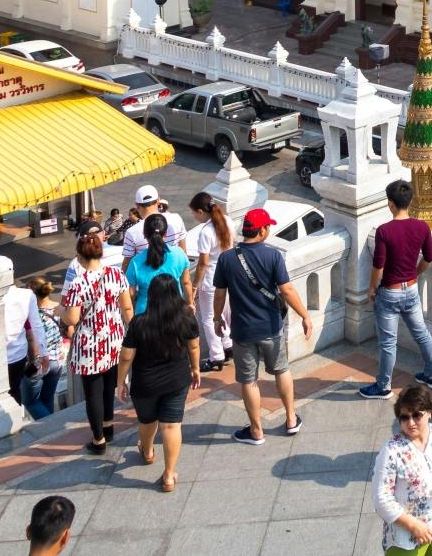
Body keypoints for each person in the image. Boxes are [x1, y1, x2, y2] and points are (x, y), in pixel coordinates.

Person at [213, 206, 315, 444]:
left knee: (249, 380)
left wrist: (217, 318)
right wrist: (304, 316)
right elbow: (287, 290)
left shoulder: (227, 258)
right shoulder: (273, 256)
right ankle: (291, 419)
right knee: (282, 370)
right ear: (262, 230)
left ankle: (256, 431)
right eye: (268, 226)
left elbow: (219, 294)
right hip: (271, 327)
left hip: (242, 330)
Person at [361, 179, 432, 401]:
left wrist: (371, 288)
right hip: (411, 290)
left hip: (390, 293)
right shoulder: (422, 227)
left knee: (388, 343)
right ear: (409, 201)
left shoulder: (384, 231)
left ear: (390, 204)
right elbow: (428, 257)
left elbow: (378, 265)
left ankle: (383, 386)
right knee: (422, 333)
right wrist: (415, 273)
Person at [117, 272, 199, 492]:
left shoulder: (139, 323)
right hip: (176, 380)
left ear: (151, 295)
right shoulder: (186, 318)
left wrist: (120, 382)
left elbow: (126, 356)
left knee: (147, 422)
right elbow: (193, 346)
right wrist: (196, 369)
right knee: (171, 425)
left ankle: (148, 451)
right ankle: (170, 475)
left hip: (145, 383)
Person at [60, 219, 134, 454]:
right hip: (114, 338)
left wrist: (61, 317)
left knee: (93, 392)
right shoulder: (115, 275)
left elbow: (71, 319)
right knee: (108, 388)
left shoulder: (78, 284)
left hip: (90, 343)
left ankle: (99, 439)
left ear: (80, 257)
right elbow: (127, 308)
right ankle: (109, 426)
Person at [370, 383, 432, 556]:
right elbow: (381, 499)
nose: (411, 423)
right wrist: (413, 525)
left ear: (429, 413)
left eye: (416, 415)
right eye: (404, 417)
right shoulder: (392, 451)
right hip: (406, 537)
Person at [186, 192, 232, 372]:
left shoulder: (205, 231)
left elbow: (203, 263)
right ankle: (227, 344)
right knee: (224, 313)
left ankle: (216, 356)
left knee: (208, 318)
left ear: (200, 211)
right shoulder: (227, 221)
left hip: (211, 280)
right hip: (227, 277)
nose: (194, 216)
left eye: (194, 213)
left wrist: (195, 286)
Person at [124, 213, 191, 316]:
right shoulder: (179, 254)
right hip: (175, 313)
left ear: (144, 234)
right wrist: (190, 303)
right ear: (166, 233)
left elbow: (131, 293)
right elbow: (186, 282)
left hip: (145, 315)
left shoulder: (135, 262)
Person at [23, 279, 65, 420]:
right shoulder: (58, 308)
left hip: (40, 362)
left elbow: (30, 339)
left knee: (31, 403)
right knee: (47, 399)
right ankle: (53, 429)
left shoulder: (30, 315)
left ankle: (53, 428)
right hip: (57, 361)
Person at [3, 271, 44, 405]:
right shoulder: (25, 296)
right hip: (19, 356)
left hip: (3, 357)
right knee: (15, 392)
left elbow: (32, 332)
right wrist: (41, 354)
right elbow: (34, 329)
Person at [119, 185, 185, 264]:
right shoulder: (176, 219)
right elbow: (183, 252)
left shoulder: (131, 232)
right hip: (174, 272)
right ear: (158, 200)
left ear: (137, 205)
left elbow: (127, 263)